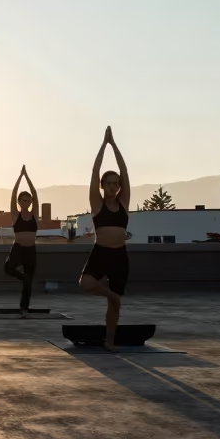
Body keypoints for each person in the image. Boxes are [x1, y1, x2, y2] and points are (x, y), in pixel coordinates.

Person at [79, 126, 131, 350]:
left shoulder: (123, 203)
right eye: (109, 183)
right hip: (100, 252)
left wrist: (115, 145)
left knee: (115, 305)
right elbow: (94, 171)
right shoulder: (97, 204)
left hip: (120, 255)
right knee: (85, 283)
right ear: (102, 186)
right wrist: (104, 145)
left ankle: (110, 341)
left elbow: (125, 171)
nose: (113, 186)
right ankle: (110, 294)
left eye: (116, 183)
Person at [4, 165, 39, 316]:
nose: (27, 202)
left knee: (28, 282)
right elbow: (12, 195)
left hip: (31, 250)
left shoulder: (34, 215)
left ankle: (24, 308)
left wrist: (28, 177)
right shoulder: (15, 215)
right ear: (19, 202)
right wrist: (20, 177)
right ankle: (23, 277)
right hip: (18, 248)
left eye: (28, 200)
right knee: (8, 268)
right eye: (23, 200)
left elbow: (35, 194)